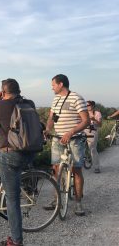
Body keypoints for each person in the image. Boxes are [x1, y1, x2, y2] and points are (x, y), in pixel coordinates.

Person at [0, 79, 35, 246]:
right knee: (13, 183)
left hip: (10, 153)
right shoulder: (29, 102)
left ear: (3, 92)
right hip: (29, 152)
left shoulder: (1, 104)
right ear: (19, 90)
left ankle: (16, 241)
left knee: (12, 200)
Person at [44, 74, 90, 216]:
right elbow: (52, 118)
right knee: (56, 169)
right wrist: (47, 129)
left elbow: (86, 121)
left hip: (74, 140)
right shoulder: (56, 99)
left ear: (61, 84)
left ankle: (78, 203)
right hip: (58, 139)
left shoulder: (76, 98)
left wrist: (71, 132)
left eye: (53, 85)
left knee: (76, 170)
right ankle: (57, 199)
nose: (52, 87)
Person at [85, 101, 102, 173]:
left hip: (92, 132)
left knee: (92, 149)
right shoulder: (84, 113)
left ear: (92, 106)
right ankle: (83, 162)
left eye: (88, 105)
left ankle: (97, 167)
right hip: (83, 131)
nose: (86, 106)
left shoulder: (97, 113)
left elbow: (100, 125)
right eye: (86, 105)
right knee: (79, 148)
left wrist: (94, 120)